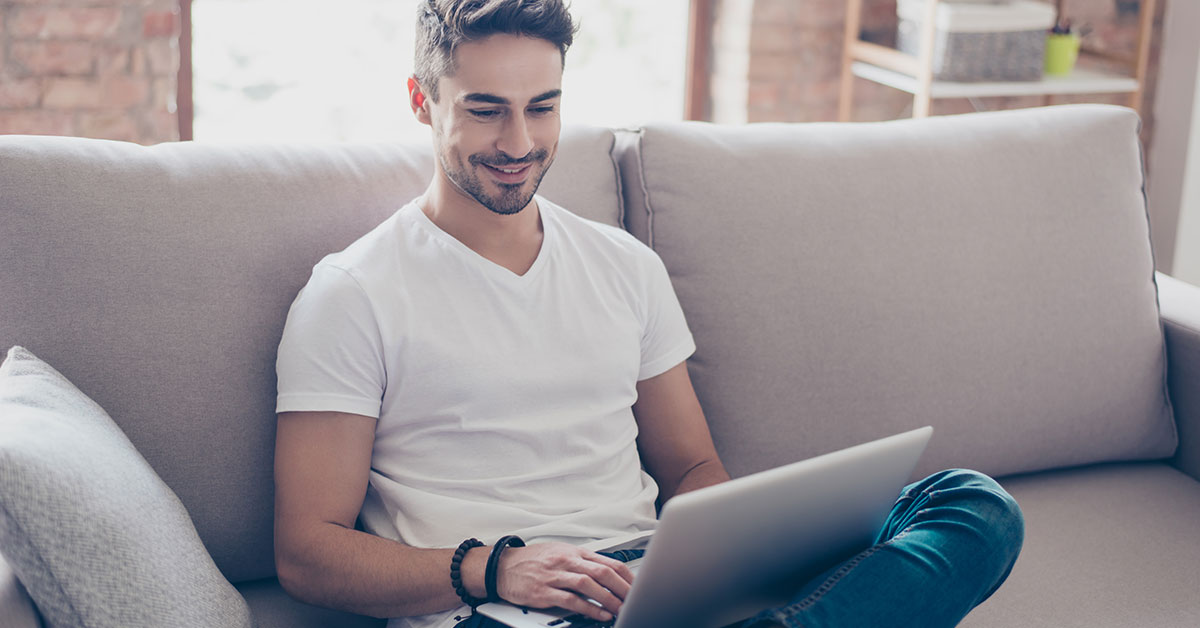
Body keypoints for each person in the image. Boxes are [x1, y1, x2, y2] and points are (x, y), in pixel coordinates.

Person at [272, 1, 1025, 627]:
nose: (520, 142)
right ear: (420, 100)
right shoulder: (353, 294)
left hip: (648, 577)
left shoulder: (623, 265)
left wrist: (718, 553)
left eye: (543, 107)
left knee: (972, 506)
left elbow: (691, 465)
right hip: (503, 608)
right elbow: (307, 551)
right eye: (486, 112)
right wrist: (497, 568)